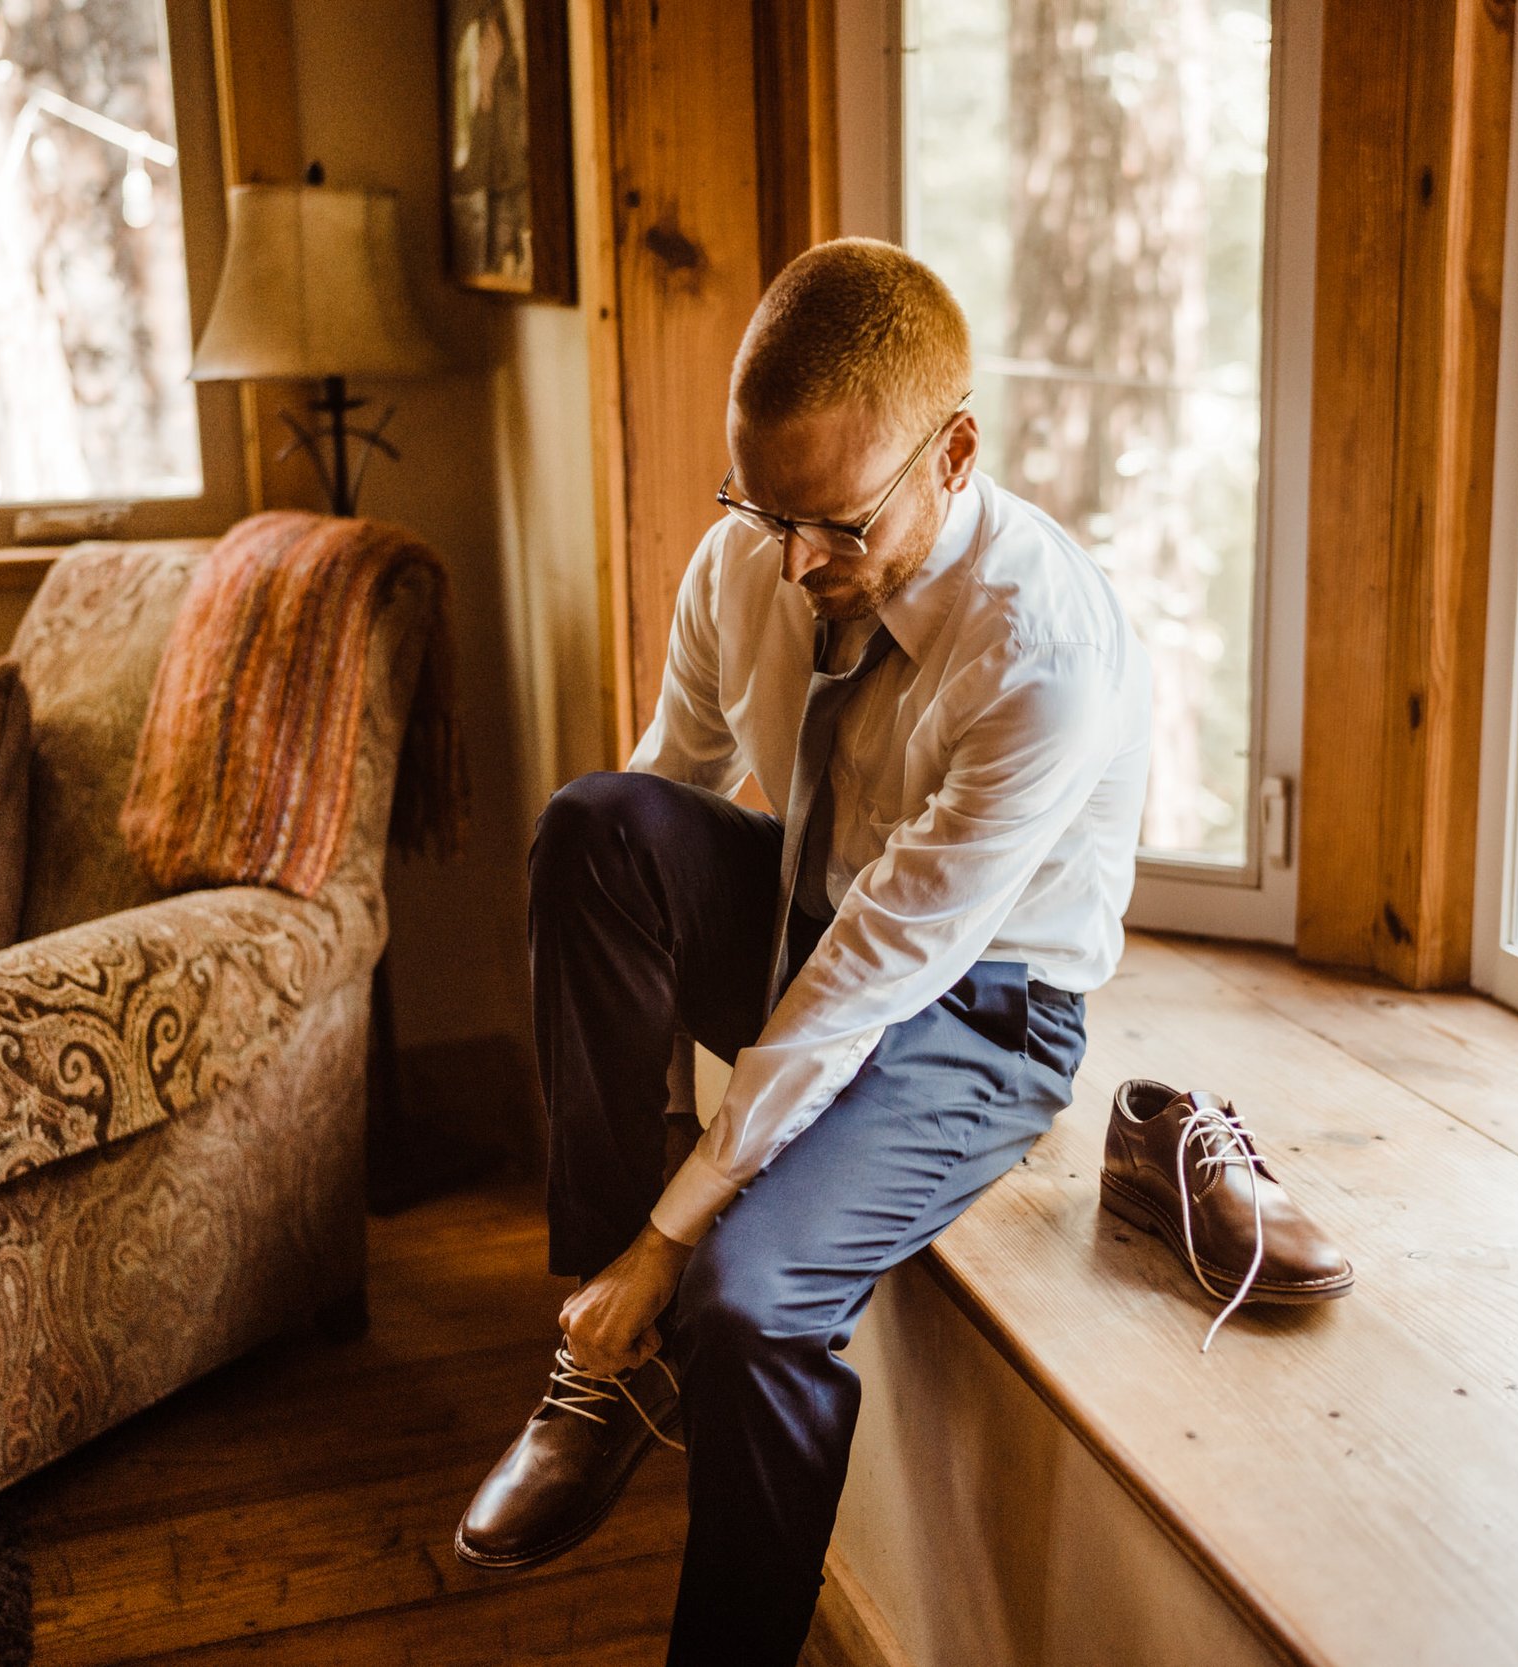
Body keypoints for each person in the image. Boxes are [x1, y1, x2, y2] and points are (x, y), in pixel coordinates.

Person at [455, 236, 1152, 1665]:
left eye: (836, 523)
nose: (796, 561)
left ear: (955, 452)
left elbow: (875, 982)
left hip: (981, 1009)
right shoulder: (750, 560)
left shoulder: (1038, 655)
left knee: (749, 1298)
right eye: (764, 509)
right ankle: (602, 1373)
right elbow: (667, 802)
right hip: (813, 925)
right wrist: (625, 1218)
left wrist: (677, 1234)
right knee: (594, 823)